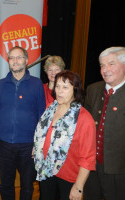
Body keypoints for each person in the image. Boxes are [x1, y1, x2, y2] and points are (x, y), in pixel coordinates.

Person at [83, 46, 125, 200]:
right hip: (91, 165)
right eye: (102, 65)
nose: (105, 69)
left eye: (111, 64)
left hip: (122, 169)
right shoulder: (93, 89)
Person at [0, 46, 46, 200]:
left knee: (27, 184)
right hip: (4, 144)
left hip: (28, 145)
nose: (15, 61)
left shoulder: (36, 84)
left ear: (26, 61)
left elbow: (42, 117)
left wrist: (38, 144)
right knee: (6, 184)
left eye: (19, 57)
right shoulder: (0, 84)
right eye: (12, 58)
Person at [33, 70, 96, 200]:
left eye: (65, 87)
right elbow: (42, 134)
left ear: (75, 90)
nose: (60, 91)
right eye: (58, 86)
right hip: (46, 171)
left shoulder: (84, 118)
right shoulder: (51, 107)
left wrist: (78, 187)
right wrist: (37, 147)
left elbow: (88, 158)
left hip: (69, 178)